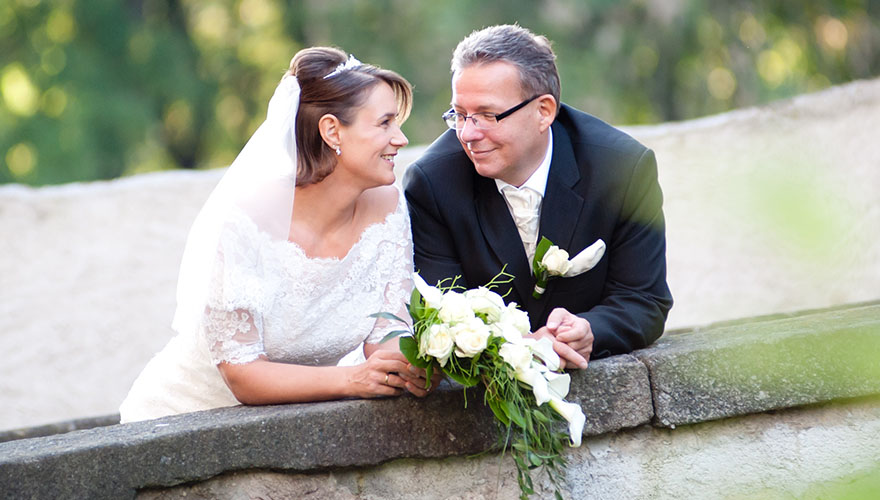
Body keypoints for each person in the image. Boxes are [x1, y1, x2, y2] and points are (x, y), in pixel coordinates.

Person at [120, 47, 434, 423]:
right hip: (182, 418)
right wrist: (353, 379)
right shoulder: (248, 218)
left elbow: (389, 329)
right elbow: (243, 374)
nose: (400, 139)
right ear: (332, 130)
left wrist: (410, 365)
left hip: (292, 428)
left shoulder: (389, 207)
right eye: (384, 124)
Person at [404, 25, 673, 369]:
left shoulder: (621, 168)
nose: (468, 133)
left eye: (488, 115)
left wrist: (591, 329)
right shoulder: (432, 183)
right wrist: (520, 345)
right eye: (458, 114)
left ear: (544, 111)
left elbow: (643, 299)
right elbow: (440, 317)